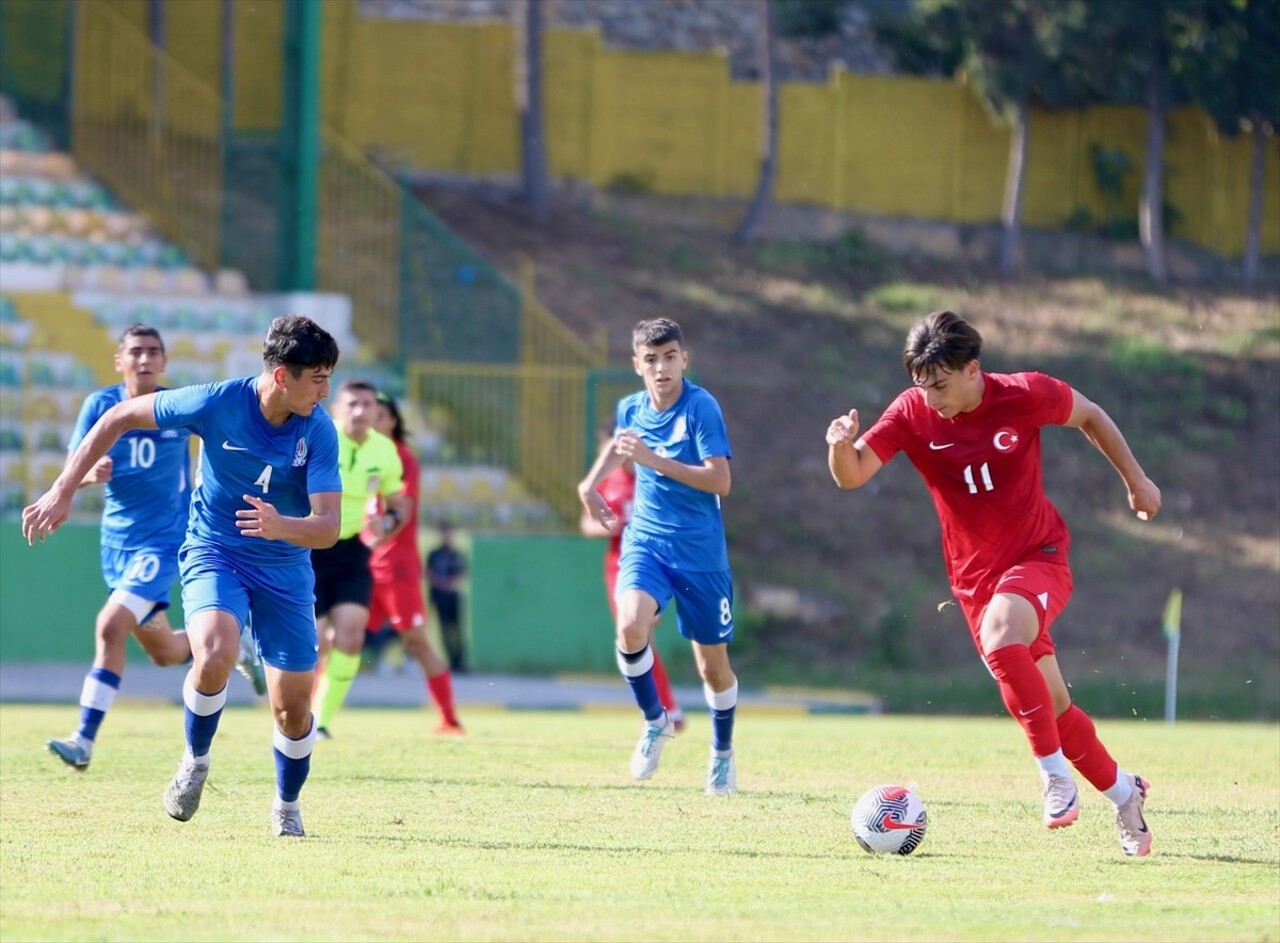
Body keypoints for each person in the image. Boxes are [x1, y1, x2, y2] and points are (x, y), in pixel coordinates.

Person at [825, 309, 1160, 857]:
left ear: (973, 369)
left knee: (1005, 633)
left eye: (939, 385)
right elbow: (853, 474)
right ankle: (1127, 794)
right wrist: (840, 444)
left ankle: (1053, 777)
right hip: (973, 582)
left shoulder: (1024, 393)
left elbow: (1092, 415)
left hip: (1039, 556)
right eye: (921, 386)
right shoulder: (912, 411)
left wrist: (1137, 480)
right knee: (1052, 706)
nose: (929, 398)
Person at [23, 314, 343, 838]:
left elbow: (329, 528)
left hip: (285, 569)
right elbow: (120, 416)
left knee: (292, 710)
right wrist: (62, 489)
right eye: (318, 378)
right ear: (282, 376)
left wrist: (282, 524)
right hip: (214, 552)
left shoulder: (318, 431)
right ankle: (194, 761)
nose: (326, 391)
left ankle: (286, 804)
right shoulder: (217, 402)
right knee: (213, 652)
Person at [45, 324, 265, 771]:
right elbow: (75, 469)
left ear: (164, 362)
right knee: (164, 652)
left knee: (110, 626)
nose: (144, 359)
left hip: (165, 540)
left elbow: (221, 447)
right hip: (117, 545)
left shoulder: (175, 407)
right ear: (119, 361)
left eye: (153, 352)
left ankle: (83, 740)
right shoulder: (100, 406)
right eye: (136, 352)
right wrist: (89, 476)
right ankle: (236, 648)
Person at [578, 317, 740, 796]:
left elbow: (721, 481)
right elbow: (620, 446)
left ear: (684, 359)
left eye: (670, 357)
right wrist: (589, 485)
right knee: (630, 625)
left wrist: (654, 461)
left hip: (700, 554)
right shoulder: (629, 407)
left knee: (713, 668)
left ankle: (723, 754)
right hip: (646, 541)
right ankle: (655, 719)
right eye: (651, 359)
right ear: (637, 365)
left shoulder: (701, 407)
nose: (662, 367)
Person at [311, 380, 412, 738]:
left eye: (367, 405)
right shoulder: (320, 436)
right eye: (351, 404)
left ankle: (320, 720)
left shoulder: (385, 450)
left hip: (352, 548)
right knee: (314, 642)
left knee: (351, 636)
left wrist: (388, 521)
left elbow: (401, 501)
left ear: (376, 411)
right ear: (336, 408)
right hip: (307, 545)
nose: (359, 411)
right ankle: (292, 715)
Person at [364, 391, 464, 733]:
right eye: (363, 411)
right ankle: (316, 719)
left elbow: (400, 512)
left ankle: (449, 718)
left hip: (396, 566)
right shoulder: (358, 455)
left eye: (377, 415)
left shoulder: (403, 458)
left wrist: (378, 536)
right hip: (362, 563)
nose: (368, 419)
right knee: (333, 638)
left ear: (392, 421)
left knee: (417, 641)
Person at [580, 425, 685, 732]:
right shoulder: (605, 483)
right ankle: (664, 712)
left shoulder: (650, 479)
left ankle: (665, 712)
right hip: (618, 566)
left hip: (652, 564)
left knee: (641, 639)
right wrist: (604, 527)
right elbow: (585, 524)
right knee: (633, 640)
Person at [426, 522, 467, 673]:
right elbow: (429, 573)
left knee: (457, 630)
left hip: (452, 596)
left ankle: (459, 662)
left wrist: (450, 584)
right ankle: (451, 661)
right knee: (445, 631)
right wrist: (441, 584)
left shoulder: (456, 554)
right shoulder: (434, 554)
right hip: (438, 596)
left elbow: (461, 573)